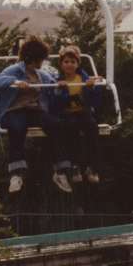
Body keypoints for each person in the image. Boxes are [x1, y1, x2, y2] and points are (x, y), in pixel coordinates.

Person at [0, 36, 72, 194]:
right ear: (33, 59)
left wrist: (59, 86)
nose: (42, 63)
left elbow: (52, 85)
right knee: (17, 127)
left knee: (55, 125)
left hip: (33, 110)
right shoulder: (14, 70)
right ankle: (16, 173)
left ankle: (60, 171)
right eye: (41, 59)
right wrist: (14, 82)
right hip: (14, 110)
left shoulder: (40, 74)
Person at [51, 45, 103, 185]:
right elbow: (54, 105)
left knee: (92, 127)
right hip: (66, 114)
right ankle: (76, 166)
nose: (69, 65)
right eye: (66, 62)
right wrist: (59, 91)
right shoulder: (57, 80)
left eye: (72, 62)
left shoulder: (83, 77)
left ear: (78, 64)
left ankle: (92, 167)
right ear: (61, 64)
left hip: (82, 112)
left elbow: (95, 100)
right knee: (71, 129)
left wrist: (92, 86)